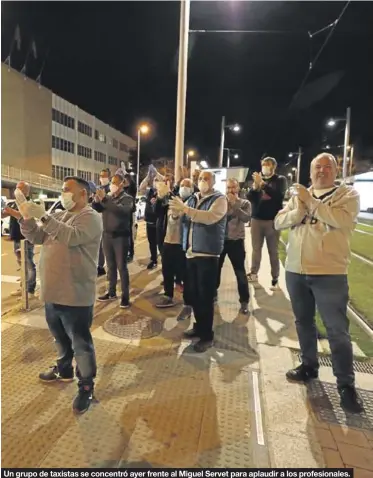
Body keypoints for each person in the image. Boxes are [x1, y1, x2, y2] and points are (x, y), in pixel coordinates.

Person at [274, 153, 363, 414]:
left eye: (327, 167)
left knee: (337, 330)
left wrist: (308, 202)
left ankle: (346, 384)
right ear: (310, 172)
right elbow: (279, 220)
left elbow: (340, 220)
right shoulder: (299, 195)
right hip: (296, 270)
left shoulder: (347, 195)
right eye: (317, 167)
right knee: (303, 322)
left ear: (336, 171)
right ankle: (309, 365)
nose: (321, 171)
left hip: (329, 273)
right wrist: (297, 211)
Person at [17, 177, 102, 414]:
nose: (63, 193)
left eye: (67, 190)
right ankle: (63, 368)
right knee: (59, 338)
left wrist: (43, 216)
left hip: (75, 294)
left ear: (82, 194)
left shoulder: (91, 217)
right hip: (53, 293)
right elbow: (37, 237)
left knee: (81, 343)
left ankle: (86, 385)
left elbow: (71, 237)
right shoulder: (61, 215)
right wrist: (26, 217)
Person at [169, 171, 228, 353]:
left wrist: (185, 209)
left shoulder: (220, 200)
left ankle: (206, 335)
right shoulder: (193, 198)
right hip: (191, 253)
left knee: (205, 296)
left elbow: (209, 218)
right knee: (193, 294)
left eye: (206, 179)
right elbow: (182, 216)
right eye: (200, 178)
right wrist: (175, 213)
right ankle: (198, 326)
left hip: (207, 255)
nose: (202, 181)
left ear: (214, 182)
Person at [93, 173, 133, 308]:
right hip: (107, 236)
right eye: (112, 182)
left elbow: (120, 211)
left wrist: (105, 199)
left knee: (121, 267)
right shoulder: (108, 198)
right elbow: (97, 208)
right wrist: (97, 200)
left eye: (116, 182)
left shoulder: (127, 199)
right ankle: (111, 292)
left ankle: (125, 296)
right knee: (110, 267)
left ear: (122, 184)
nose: (113, 184)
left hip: (121, 237)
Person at [247, 157, 287, 290]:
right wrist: (255, 187)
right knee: (256, 249)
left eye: (267, 164)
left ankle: (275, 279)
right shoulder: (258, 180)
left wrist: (263, 184)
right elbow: (250, 198)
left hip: (272, 221)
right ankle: (254, 273)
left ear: (274, 166)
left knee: (273, 251)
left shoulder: (280, 180)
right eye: (263, 164)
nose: (265, 166)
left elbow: (278, 196)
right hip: (257, 219)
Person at [156, 178, 195, 309]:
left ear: (192, 188)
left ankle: (188, 300)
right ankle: (168, 295)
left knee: (185, 272)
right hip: (168, 241)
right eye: (183, 185)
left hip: (183, 244)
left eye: (188, 185)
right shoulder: (172, 199)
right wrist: (160, 198)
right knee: (167, 270)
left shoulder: (193, 201)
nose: (184, 187)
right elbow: (158, 211)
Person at [217, 178, 251, 314]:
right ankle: (213, 294)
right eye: (228, 187)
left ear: (238, 189)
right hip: (221, 241)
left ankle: (244, 301)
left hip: (236, 241)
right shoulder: (220, 202)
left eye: (233, 187)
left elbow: (246, 218)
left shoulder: (244, 203)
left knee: (240, 272)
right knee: (216, 270)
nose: (230, 190)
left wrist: (234, 204)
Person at [2, 181, 37, 297]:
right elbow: (4, 214)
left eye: (20, 189)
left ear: (26, 191)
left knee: (29, 263)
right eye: (16, 188)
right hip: (17, 237)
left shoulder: (29, 203)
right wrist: (4, 209)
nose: (17, 191)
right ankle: (23, 286)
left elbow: (22, 215)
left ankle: (30, 289)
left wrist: (9, 210)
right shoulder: (14, 203)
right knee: (21, 263)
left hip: (26, 238)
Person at [139, 165, 164, 269]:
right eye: (155, 180)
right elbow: (141, 187)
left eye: (157, 180)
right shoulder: (150, 192)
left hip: (159, 222)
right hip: (150, 222)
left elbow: (163, 180)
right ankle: (153, 259)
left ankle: (164, 261)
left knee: (161, 244)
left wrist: (157, 174)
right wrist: (148, 177)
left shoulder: (163, 192)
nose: (156, 182)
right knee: (151, 243)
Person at [97, 168, 111, 277]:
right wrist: (96, 201)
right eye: (101, 176)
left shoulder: (111, 189)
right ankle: (100, 266)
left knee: (107, 247)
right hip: (99, 220)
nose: (102, 178)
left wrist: (103, 198)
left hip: (109, 222)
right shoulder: (99, 188)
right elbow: (96, 207)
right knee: (100, 245)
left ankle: (110, 271)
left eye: (104, 176)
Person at [123, 173, 137, 263]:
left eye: (125, 180)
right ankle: (125, 252)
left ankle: (130, 253)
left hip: (129, 214)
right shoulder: (123, 189)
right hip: (123, 214)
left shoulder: (131, 189)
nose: (123, 182)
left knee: (129, 234)